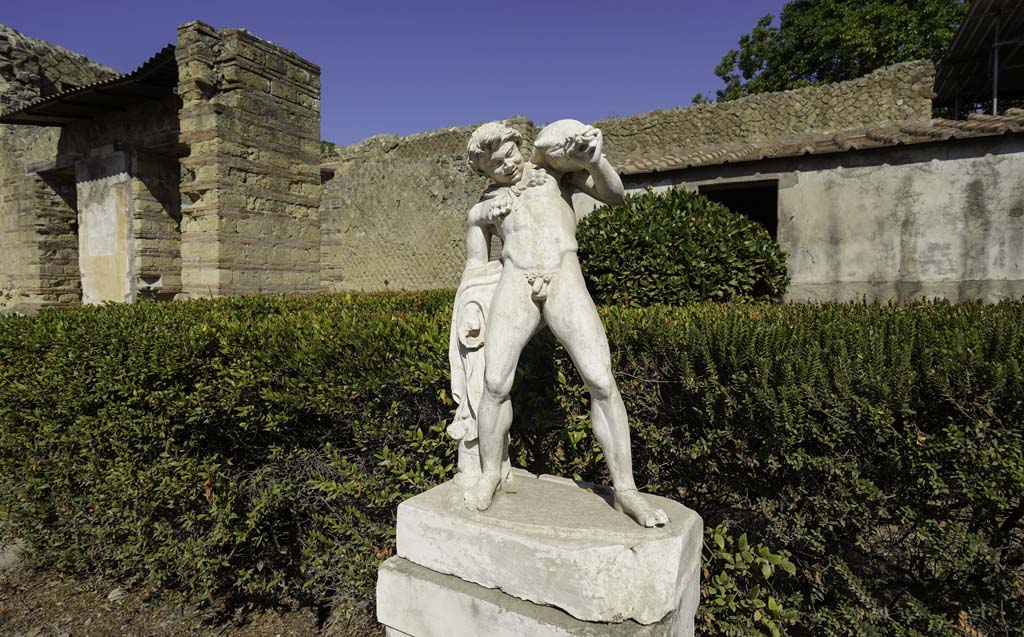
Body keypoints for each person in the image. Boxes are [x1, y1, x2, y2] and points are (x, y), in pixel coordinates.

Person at [459, 120, 669, 527]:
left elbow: (616, 196)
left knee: (601, 381)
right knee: (495, 384)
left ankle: (626, 490)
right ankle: (489, 475)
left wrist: (596, 161)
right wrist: (477, 220)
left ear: (518, 147)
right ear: (483, 172)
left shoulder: (554, 174)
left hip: (563, 277)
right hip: (515, 282)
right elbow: (475, 267)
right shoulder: (487, 203)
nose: (505, 166)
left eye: (507, 155)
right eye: (493, 165)